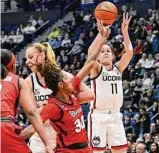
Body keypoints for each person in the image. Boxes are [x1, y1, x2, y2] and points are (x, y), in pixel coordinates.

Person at [21, 22, 108, 152]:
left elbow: (88, 65)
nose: (27, 62)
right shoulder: (30, 84)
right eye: (26, 58)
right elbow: (34, 120)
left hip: (64, 136)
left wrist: (102, 39)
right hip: (44, 135)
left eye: (31, 57)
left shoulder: (64, 80)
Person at [87, 13, 133, 153]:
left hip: (115, 115)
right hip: (98, 116)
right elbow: (90, 53)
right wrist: (101, 37)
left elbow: (129, 53)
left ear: (113, 55)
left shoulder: (118, 68)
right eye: (102, 51)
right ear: (98, 57)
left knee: (121, 150)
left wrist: (125, 32)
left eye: (108, 51)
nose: (106, 52)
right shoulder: (96, 68)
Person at [1, 49, 53, 153]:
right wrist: (47, 143)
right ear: (12, 66)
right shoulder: (18, 81)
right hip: (4, 127)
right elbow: (32, 113)